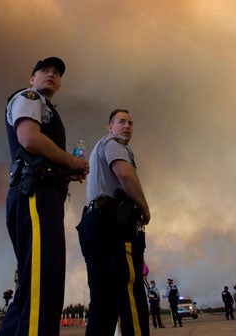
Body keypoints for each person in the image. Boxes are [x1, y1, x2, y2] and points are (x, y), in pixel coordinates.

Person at [0, 56, 89, 336]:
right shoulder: (29, 97)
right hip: (35, 196)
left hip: (39, 195)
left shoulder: (45, 108)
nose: (51, 75)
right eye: (44, 71)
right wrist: (70, 161)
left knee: (30, 288)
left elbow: (39, 151)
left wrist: (66, 169)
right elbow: (29, 138)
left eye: (56, 73)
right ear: (32, 78)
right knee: (43, 284)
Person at [77, 108, 151, 336]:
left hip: (92, 225)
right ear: (111, 127)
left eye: (130, 122)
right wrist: (145, 207)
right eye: (121, 122)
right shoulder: (114, 142)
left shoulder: (99, 147)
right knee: (130, 293)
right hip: (112, 226)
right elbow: (125, 174)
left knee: (102, 301)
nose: (127, 126)